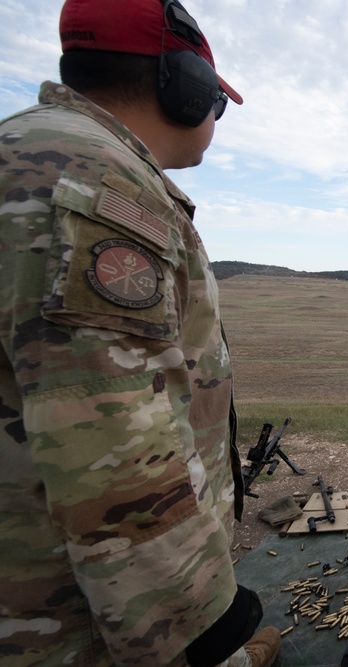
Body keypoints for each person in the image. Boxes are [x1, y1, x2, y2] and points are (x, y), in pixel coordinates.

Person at [0, 1, 279, 665]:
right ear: (183, 85)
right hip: (73, 621)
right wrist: (193, 618)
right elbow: (106, 434)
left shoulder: (33, 153)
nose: (215, 117)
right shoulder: (96, 182)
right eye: (218, 100)